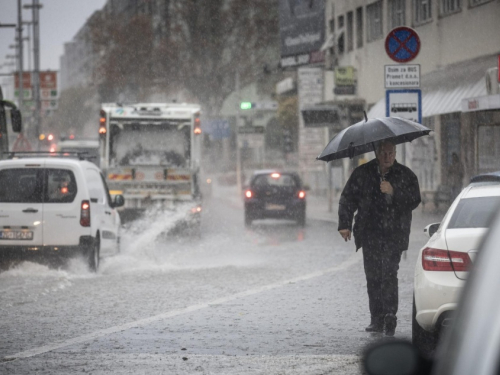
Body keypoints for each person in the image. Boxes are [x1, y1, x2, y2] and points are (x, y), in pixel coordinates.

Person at [338, 140, 421, 336]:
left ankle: (390, 315)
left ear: (395, 152)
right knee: (373, 275)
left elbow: (414, 199)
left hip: (394, 233)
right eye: (384, 152)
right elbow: (348, 197)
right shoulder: (363, 173)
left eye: (391, 152)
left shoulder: (405, 174)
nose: (388, 156)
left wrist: (393, 191)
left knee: (389, 274)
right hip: (369, 233)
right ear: (377, 153)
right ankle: (376, 318)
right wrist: (344, 224)